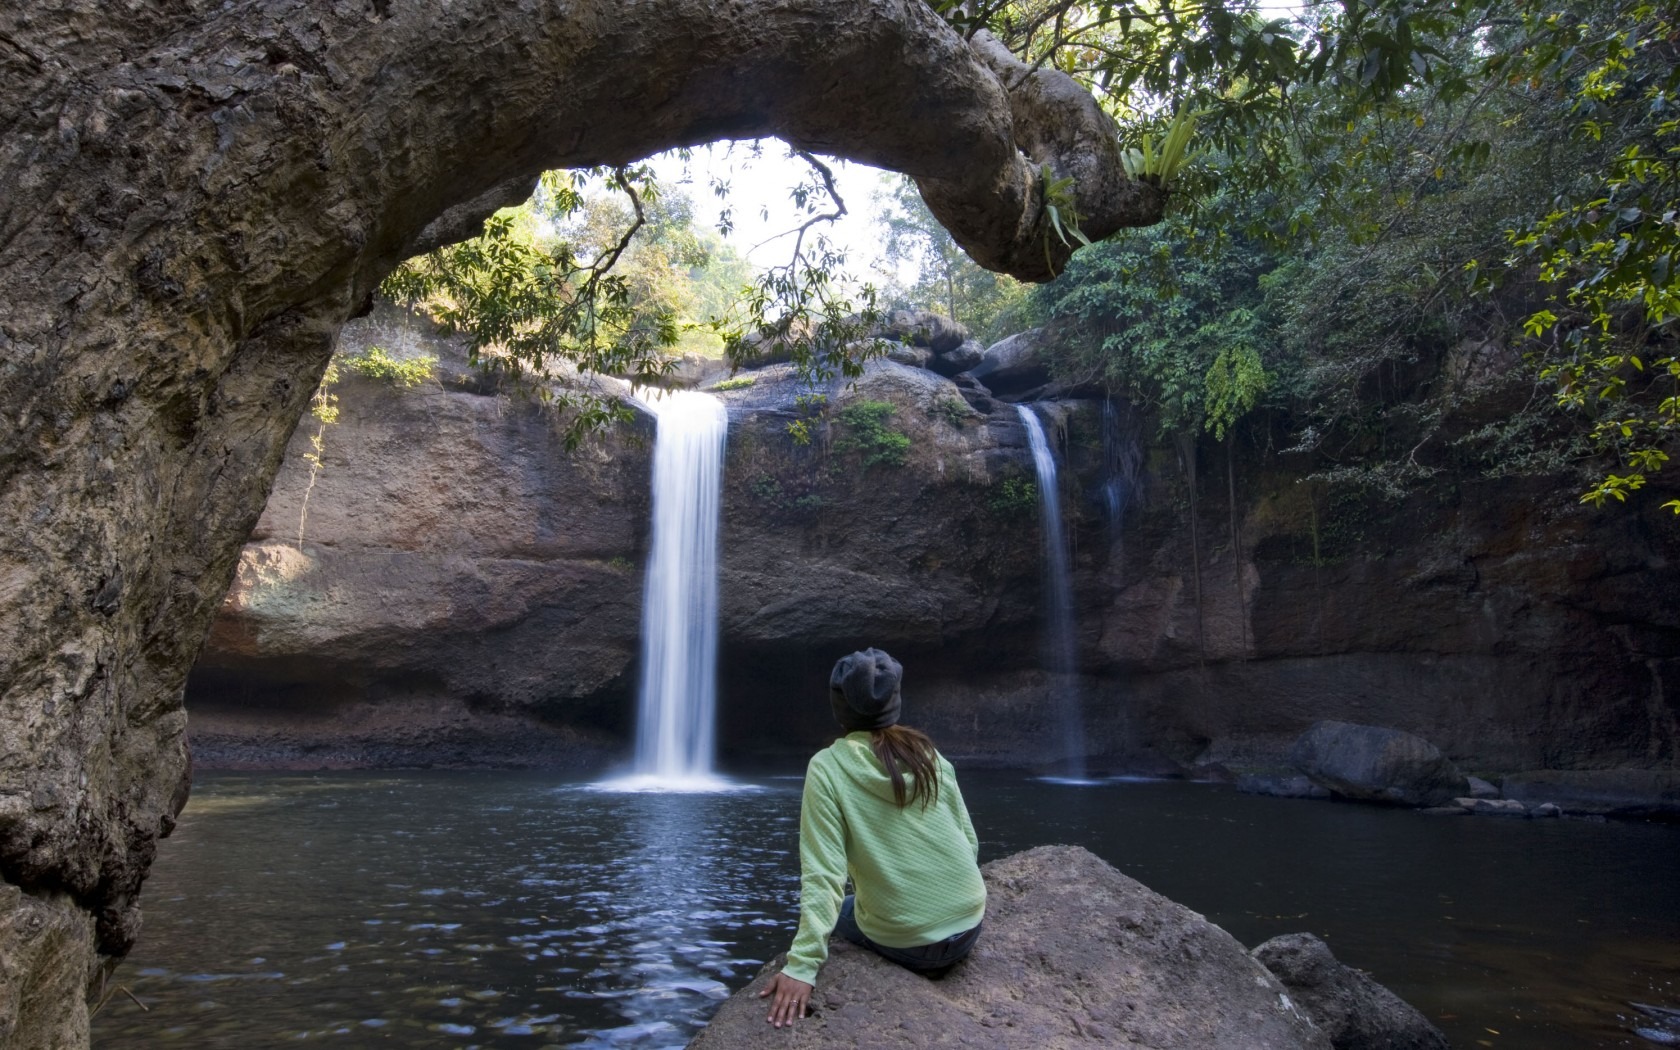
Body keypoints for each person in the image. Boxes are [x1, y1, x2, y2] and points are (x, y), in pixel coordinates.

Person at [760, 647, 986, 1028]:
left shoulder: (828, 767)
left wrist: (802, 966)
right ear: (894, 701)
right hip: (969, 925)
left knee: (847, 909)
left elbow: (825, 875)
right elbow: (969, 841)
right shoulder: (927, 753)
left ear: (840, 707)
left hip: (911, 943)